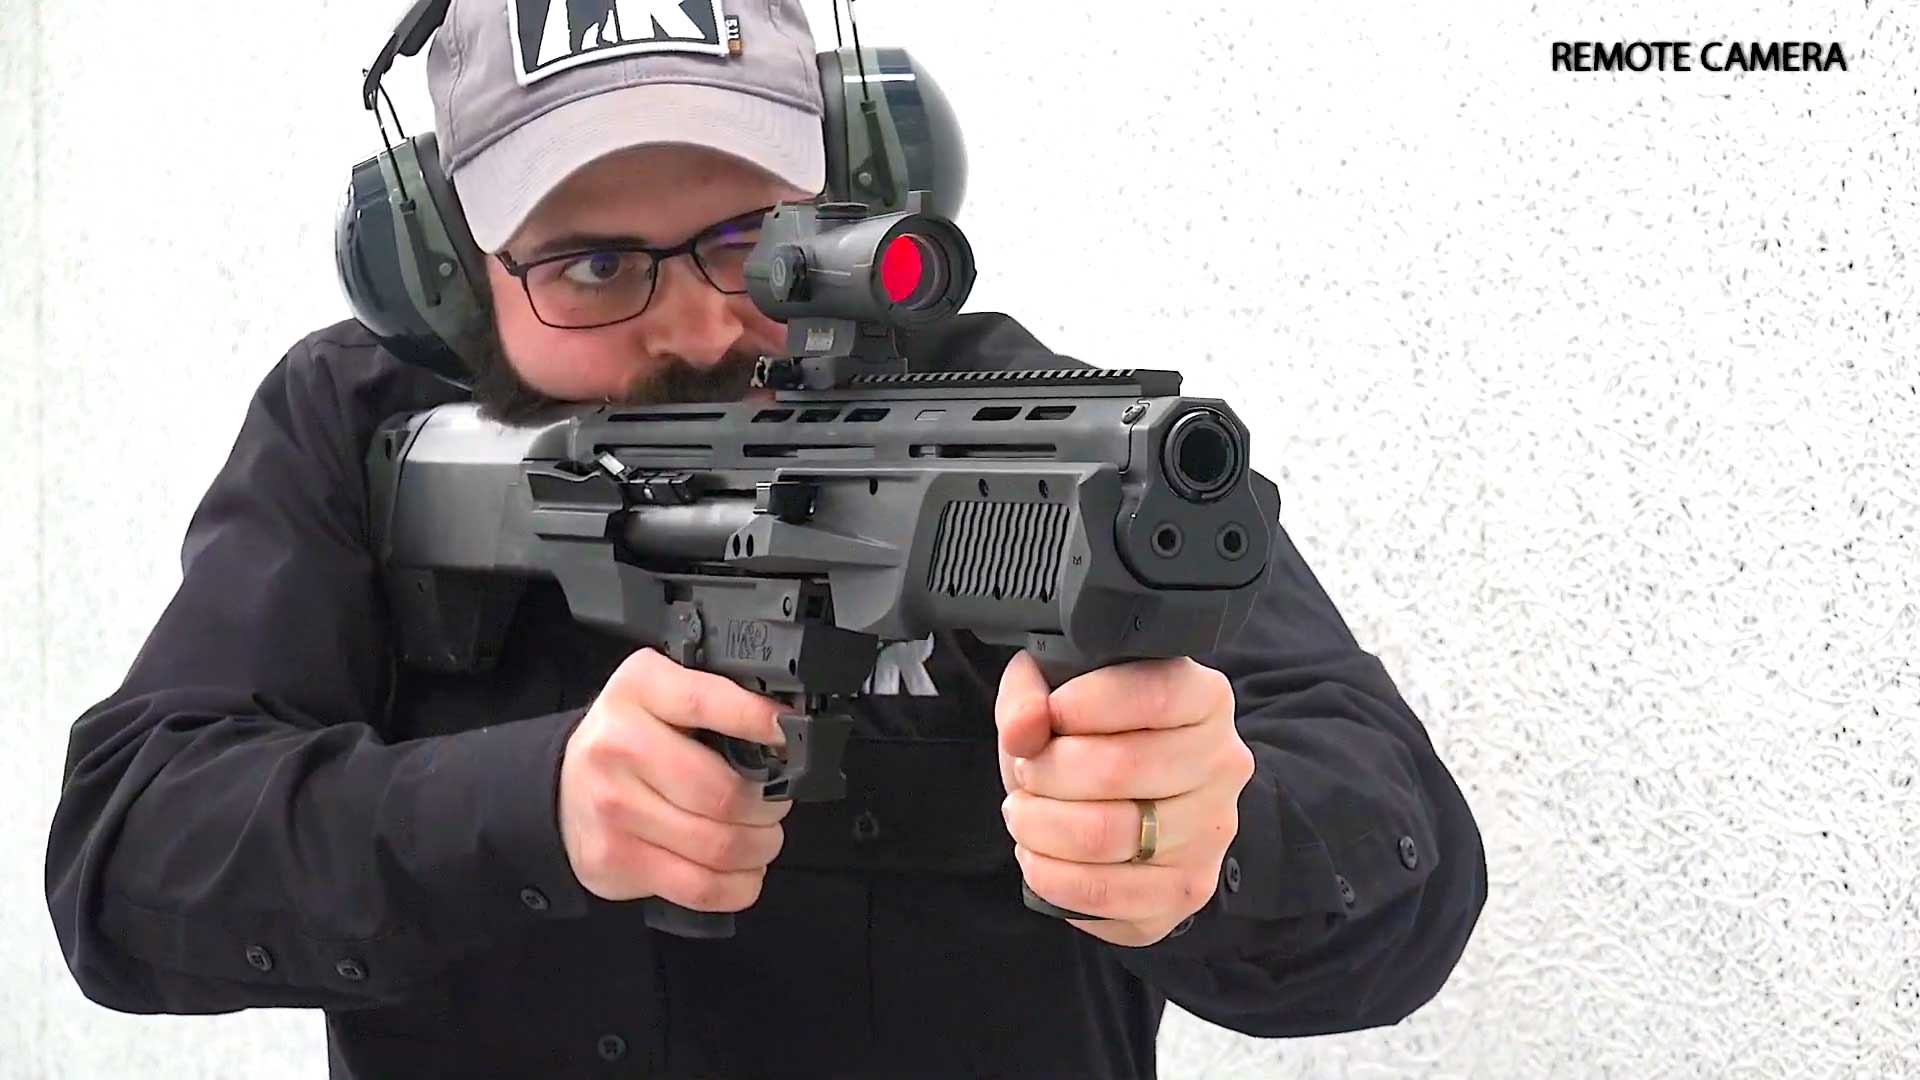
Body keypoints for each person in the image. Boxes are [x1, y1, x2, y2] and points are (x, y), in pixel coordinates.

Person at [44, 1, 1487, 1076]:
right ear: (441, 270)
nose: (694, 324)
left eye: (752, 239)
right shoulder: (354, 435)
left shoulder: (1021, 442)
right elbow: (126, 866)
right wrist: (527, 807)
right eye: (591, 264)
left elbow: (1406, 869)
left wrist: (1215, 838)